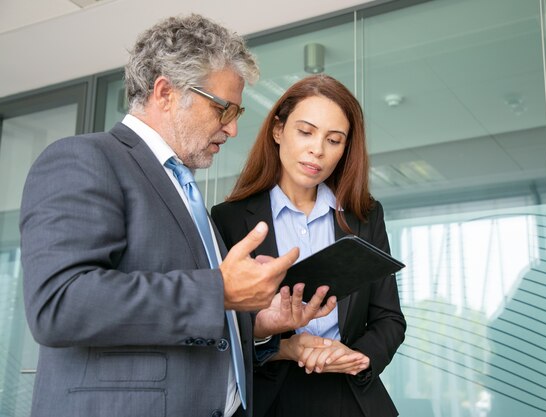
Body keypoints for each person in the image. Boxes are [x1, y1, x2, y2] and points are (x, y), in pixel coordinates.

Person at [19, 14, 334, 417]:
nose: (232, 130)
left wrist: (254, 323)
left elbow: (186, 319)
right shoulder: (84, 159)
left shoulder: (183, 188)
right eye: (224, 109)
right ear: (166, 93)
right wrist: (220, 291)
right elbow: (59, 304)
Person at [211, 74, 406, 417]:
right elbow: (222, 326)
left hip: (352, 398)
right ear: (277, 131)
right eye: (305, 132)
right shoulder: (230, 220)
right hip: (270, 398)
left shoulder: (365, 216)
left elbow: (389, 319)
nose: (318, 149)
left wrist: (357, 356)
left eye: (334, 140)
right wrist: (284, 347)